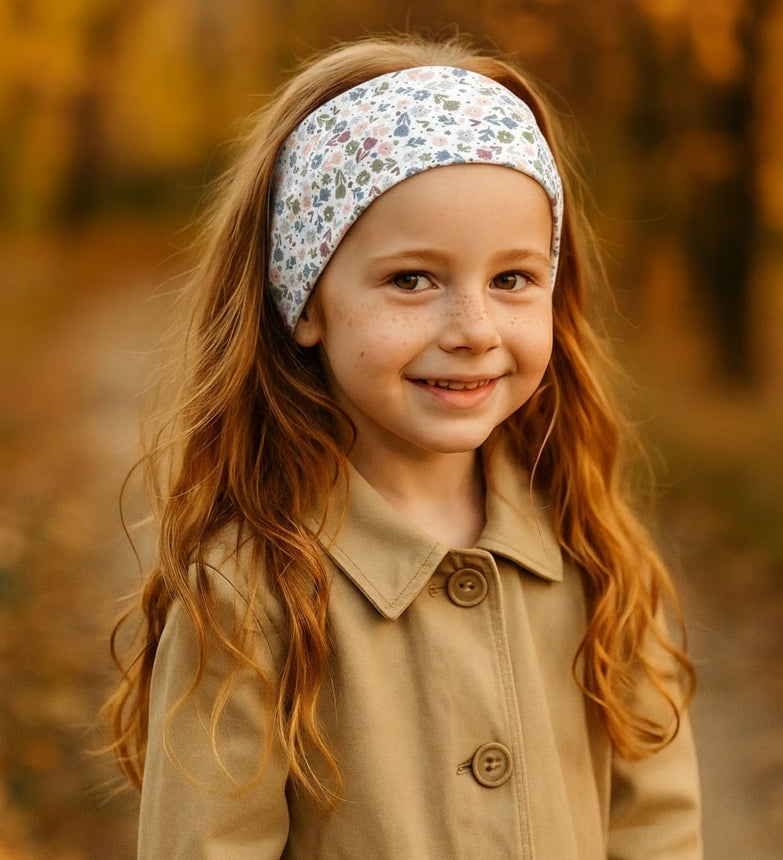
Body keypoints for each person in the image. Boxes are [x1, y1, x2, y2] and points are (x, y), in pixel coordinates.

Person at [106, 33, 702, 859]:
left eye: (513, 279)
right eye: (412, 279)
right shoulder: (247, 597)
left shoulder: (595, 553)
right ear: (306, 300)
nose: (473, 330)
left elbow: (657, 824)